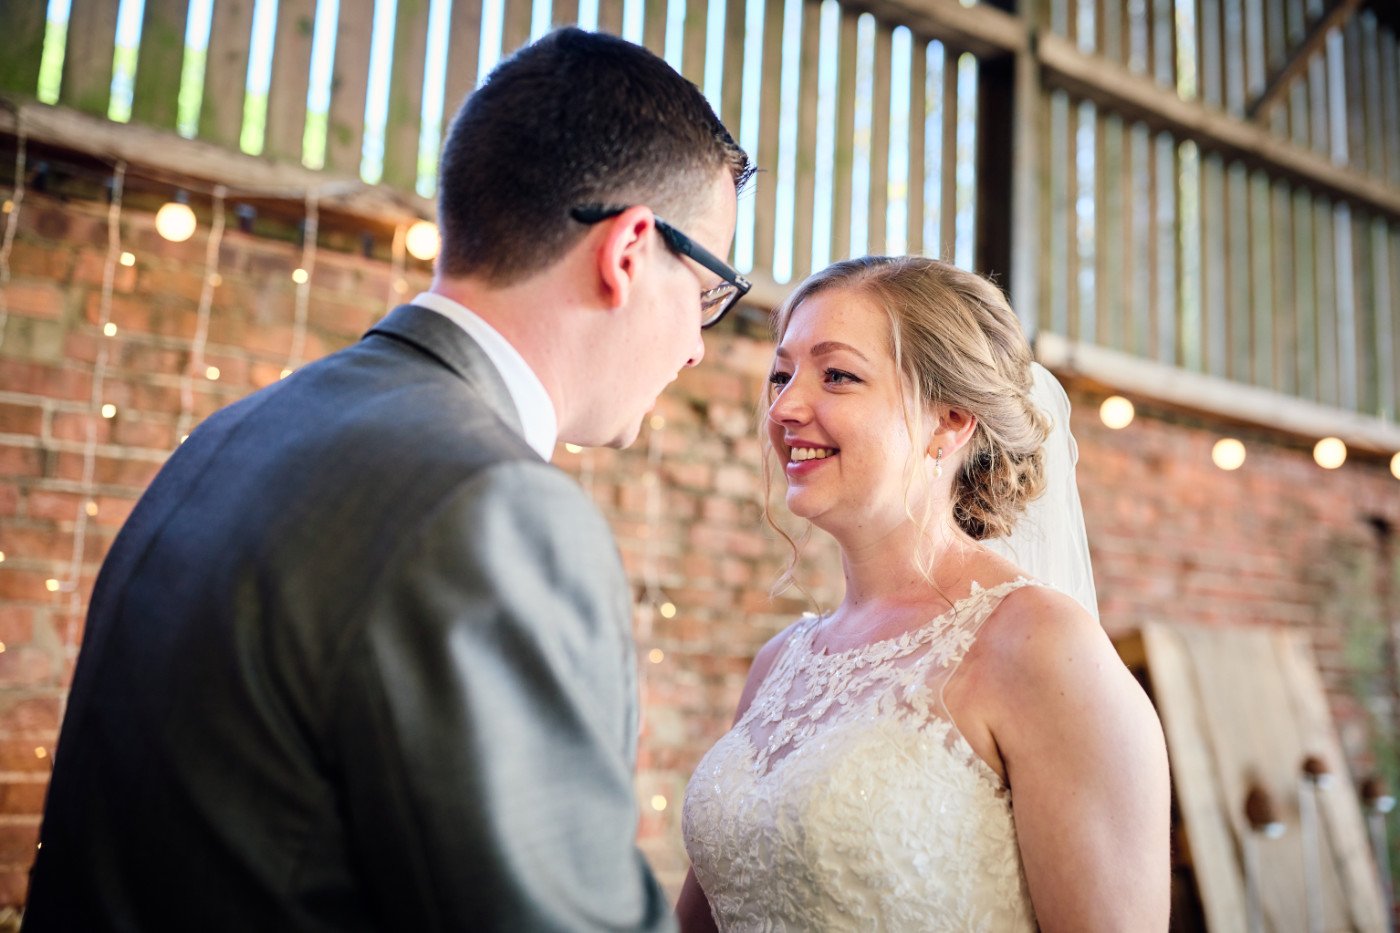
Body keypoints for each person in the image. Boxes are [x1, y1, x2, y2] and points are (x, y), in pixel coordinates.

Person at [25, 28, 751, 932]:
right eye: (711, 289)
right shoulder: (496, 510)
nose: (694, 346)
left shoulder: (232, 434)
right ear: (630, 249)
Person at [677, 256, 1170, 931]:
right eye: (781, 374)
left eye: (838, 375)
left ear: (952, 419)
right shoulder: (777, 663)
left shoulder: (1044, 648)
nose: (786, 406)